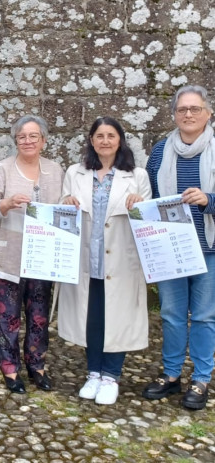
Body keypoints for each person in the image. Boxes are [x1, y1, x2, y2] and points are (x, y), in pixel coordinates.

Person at [57, 117, 151, 405]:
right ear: (91, 140)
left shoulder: (136, 176)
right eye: (100, 135)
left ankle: (111, 376)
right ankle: (93, 373)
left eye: (111, 135)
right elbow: (64, 205)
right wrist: (66, 202)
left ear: (120, 140)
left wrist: (140, 206)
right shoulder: (76, 172)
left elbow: (148, 221)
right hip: (88, 258)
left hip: (121, 260)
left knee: (117, 318)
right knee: (93, 317)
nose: (105, 140)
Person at [0, 115, 64, 394]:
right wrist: (4, 204)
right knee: (8, 315)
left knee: (39, 315)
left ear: (44, 140)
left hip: (43, 256)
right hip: (9, 256)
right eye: (22, 137)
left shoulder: (56, 170)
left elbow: (65, 209)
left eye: (33, 136)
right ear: (15, 141)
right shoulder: (2, 170)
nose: (27, 141)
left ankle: (37, 364)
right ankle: (10, 367)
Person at [143, 85, 215, 410]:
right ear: (173, 114)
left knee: (203, 317)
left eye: (194, 109)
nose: (188, 114)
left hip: (209, 249)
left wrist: (208, 200)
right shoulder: (160, 152)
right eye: (182, 109)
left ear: (208, 113)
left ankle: (201, 379)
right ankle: (171, 376)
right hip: (170, 249)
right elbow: (148, 194)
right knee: (171, 315)